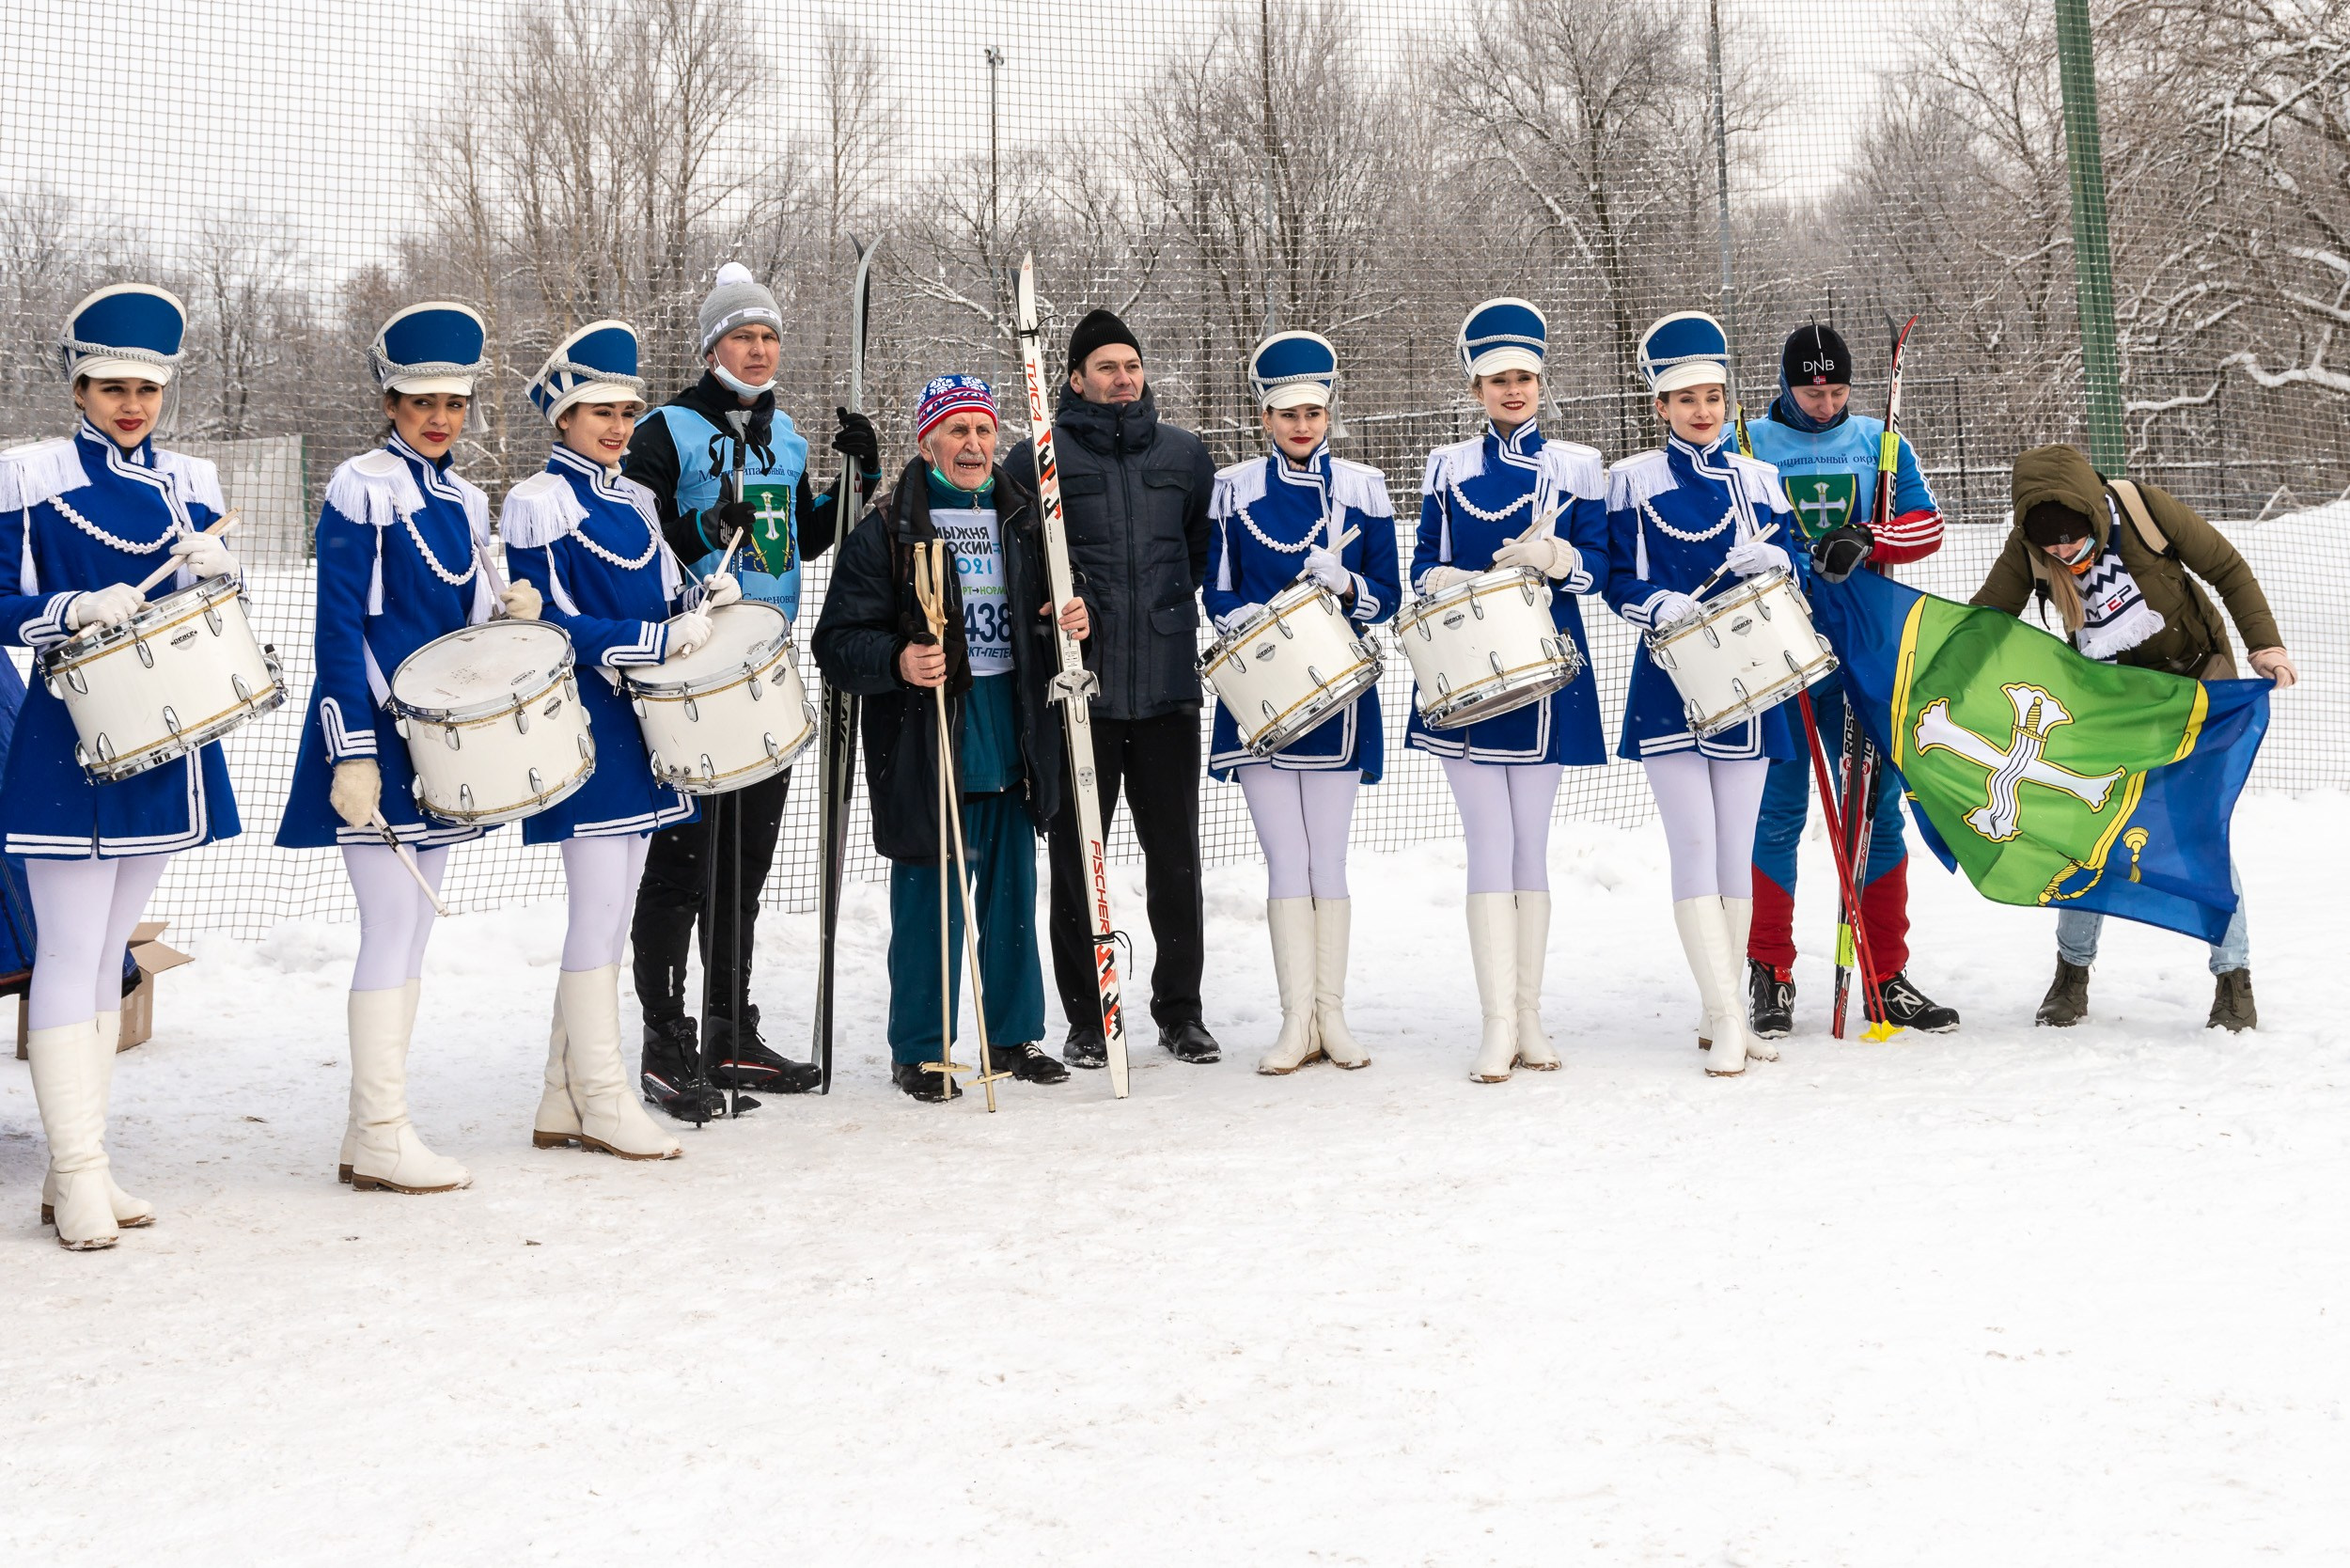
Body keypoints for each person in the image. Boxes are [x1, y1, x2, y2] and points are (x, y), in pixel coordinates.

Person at [0, 284, 243, 1248]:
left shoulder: (191, 483)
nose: (131, 405)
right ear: (78, 388)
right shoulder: (28, 477)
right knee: (67, 951)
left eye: (145, 388)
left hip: (164, 742)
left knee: (109, 957)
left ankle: (81, 1165)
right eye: (111, 387)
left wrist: (220, 576)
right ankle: (75, 1172)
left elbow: (207, 620)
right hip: (67, 740)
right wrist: (65, 609)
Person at [277, 302, 540, 1194]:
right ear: (390, 402)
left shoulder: (464, 498)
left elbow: (459, 623)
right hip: (376, 737)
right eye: (422, 401)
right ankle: (384, 1133)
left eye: (454, 403)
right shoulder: (360, 485)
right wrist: (351, 748)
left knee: (412, 930)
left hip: (438, 742)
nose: (439, 418)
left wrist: (506, 611)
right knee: (392, 928)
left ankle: (371, 1132)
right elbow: (337, 628)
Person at [621, 262, 880, 1119]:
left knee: (744, 867)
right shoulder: (665, 430)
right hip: (692, 669)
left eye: (769, 336)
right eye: (742, 336)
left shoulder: (789, 436)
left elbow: (802, 537)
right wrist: (700, 526)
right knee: (684, 865)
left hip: (765, 667)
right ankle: (666, 1040)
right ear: (712, 348)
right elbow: (630, 533)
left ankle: (730, 1029)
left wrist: (857, 479)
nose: (759, 349)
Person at [811, 376, 1087, 1099]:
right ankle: (923, 1048)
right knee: (931, 904)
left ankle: (1013, 1036)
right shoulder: (889, 528)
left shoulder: (1024, 519)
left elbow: (1065, 601)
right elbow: (837, 642)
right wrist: (897, 659)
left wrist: (1074, 616)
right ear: (928, 441)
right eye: (957, 431)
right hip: (929, 736)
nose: (973, 445)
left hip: (1012, 727)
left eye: (983, 430)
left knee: (1012, 897)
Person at [1970, 444, 2295, 1032]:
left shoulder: (2143, 511)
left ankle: (2234, 979)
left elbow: (2228, 568)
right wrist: (1930, 680)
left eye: (2073, 542)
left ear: (2093, 517)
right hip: (2107, 704)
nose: (2064, 556)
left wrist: (2264, 645)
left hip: (2192, 691)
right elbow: (1986, 622)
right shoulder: (2030, 550)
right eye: (2051, 549)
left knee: (2198, 832)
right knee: (2087, 835)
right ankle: (2071, 974)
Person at [504, 320, 722, 1161]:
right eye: (600, 412)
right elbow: (547, 625)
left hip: (644, 730)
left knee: (615, 909)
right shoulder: (538, 502)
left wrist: (704, 598)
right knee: (596, 916)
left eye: (627, 412)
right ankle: (602, 1098)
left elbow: (668, 592)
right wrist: (655, 638)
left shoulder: (633, 500)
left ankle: (563, 1097)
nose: (618, 426)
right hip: (585, 728)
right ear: (563, 417)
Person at [1002, 309, 1220, 1067]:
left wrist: (1162, 609)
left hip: (1165, 691)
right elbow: (1019, 562)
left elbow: (1197, 553)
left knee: (1177, 861)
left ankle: (1181, 1011)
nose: (1122, 378)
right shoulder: (1038, 457)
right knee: (1077, 860)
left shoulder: (1185, 455)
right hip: (1081, 693)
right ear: (1074, 379)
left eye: (1131, 365)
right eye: (1106, 367)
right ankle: (1088, 1018)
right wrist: (1058, 605)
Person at [1407, 299, 1610, 1083]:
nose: (1514, 390)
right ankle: (1497, 1023)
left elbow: (1599, 568)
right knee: (1488, 844)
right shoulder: (1447, 466)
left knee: (1531, 846)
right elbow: (1421, 562)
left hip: (1546, 672)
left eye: (1524, 377)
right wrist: (1449, 578)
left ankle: (1530, 1016)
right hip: (1467, 669)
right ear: (1476, 390)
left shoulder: (1579, 466)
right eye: (1498, 381)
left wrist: (1557, 558)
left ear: (1541, 381)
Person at [1743, 322, 1960, 1037]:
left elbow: (1928, 525)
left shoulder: (1879, 441)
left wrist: (1869, 537)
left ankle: (1883, 975)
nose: (1826, 404)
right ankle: (1770, 971)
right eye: (1812, 393)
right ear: (1785, 385)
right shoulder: (1749, 443)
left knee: (1876, 814)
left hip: (1866, 649)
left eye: (1837, 391)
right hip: (1781, 652)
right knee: (1778, 813)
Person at [1602, 311, 1804, 1078]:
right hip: (1670, 680)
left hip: (1752, 680)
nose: (1702, 410)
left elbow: (1796, 570)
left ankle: (1724, 1012)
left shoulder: (1759, 480)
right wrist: (1654, 602)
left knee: (1734, 851)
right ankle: (1726, 1019)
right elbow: (1616, 576)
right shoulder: (1633, 479)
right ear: (1660, 405)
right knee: (1692, 846)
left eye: (1713, 397)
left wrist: (1777, 563)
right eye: (1685, 398)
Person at [1202, 332, 1401, 1074]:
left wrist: (1347, 585)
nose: (1301, 426)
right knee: (1286, 860)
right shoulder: (1232, 490)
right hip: (1259, 692)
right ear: (1264, 417)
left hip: (1337, 693)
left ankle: (1332, 1016)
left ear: (1329, 414)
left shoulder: (1364, 488)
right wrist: (1242, 619)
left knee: (1328, 860)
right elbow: (1215, 589)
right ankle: (1295, 1021)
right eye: (1287, 414)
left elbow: (1388, 596)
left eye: (1313, 412)